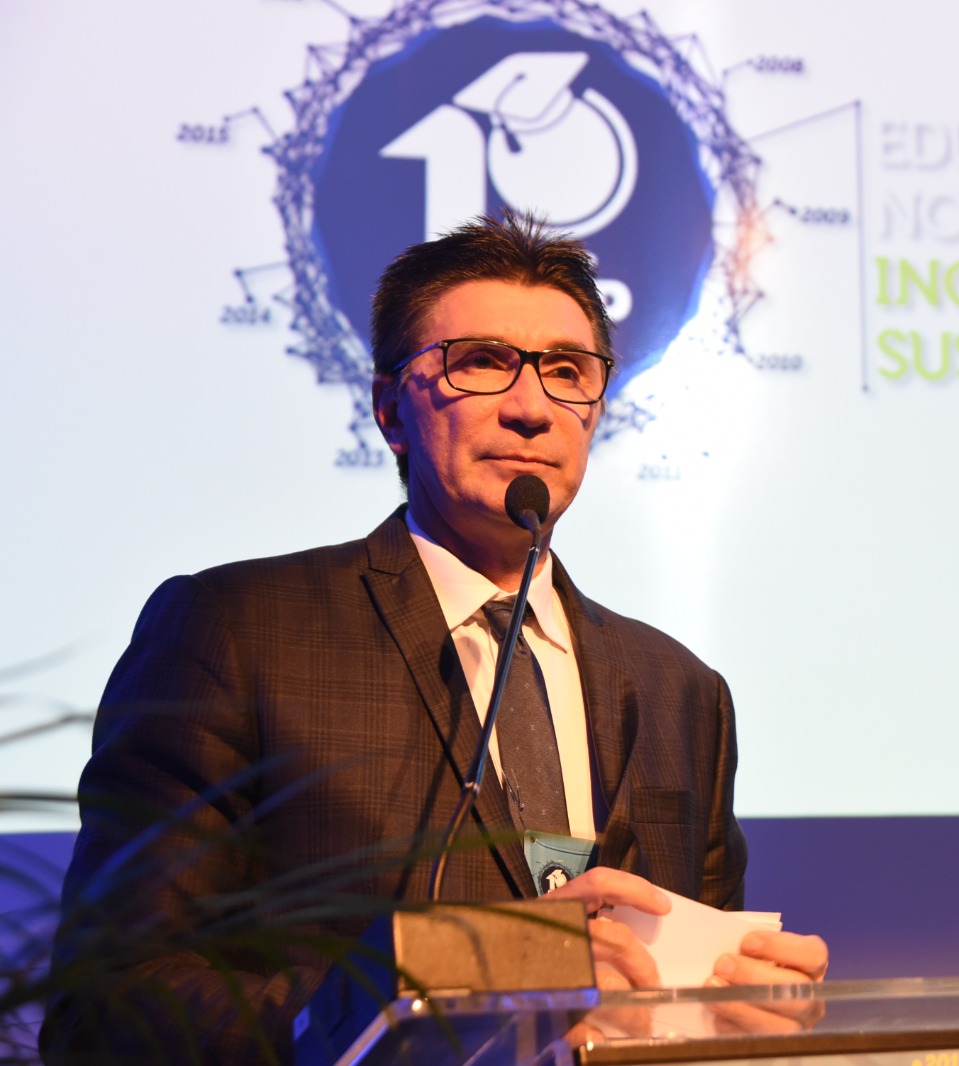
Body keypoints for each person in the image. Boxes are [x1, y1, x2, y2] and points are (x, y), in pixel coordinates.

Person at [43, 212, 827, 1064]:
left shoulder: (682, 691)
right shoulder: (237, 631)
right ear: (390, 411)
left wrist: (738, 1021)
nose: (531, 408)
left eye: (567, 371)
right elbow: (107, 1008)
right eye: (482, 362)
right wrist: (456, 979)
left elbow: (682, 1005)